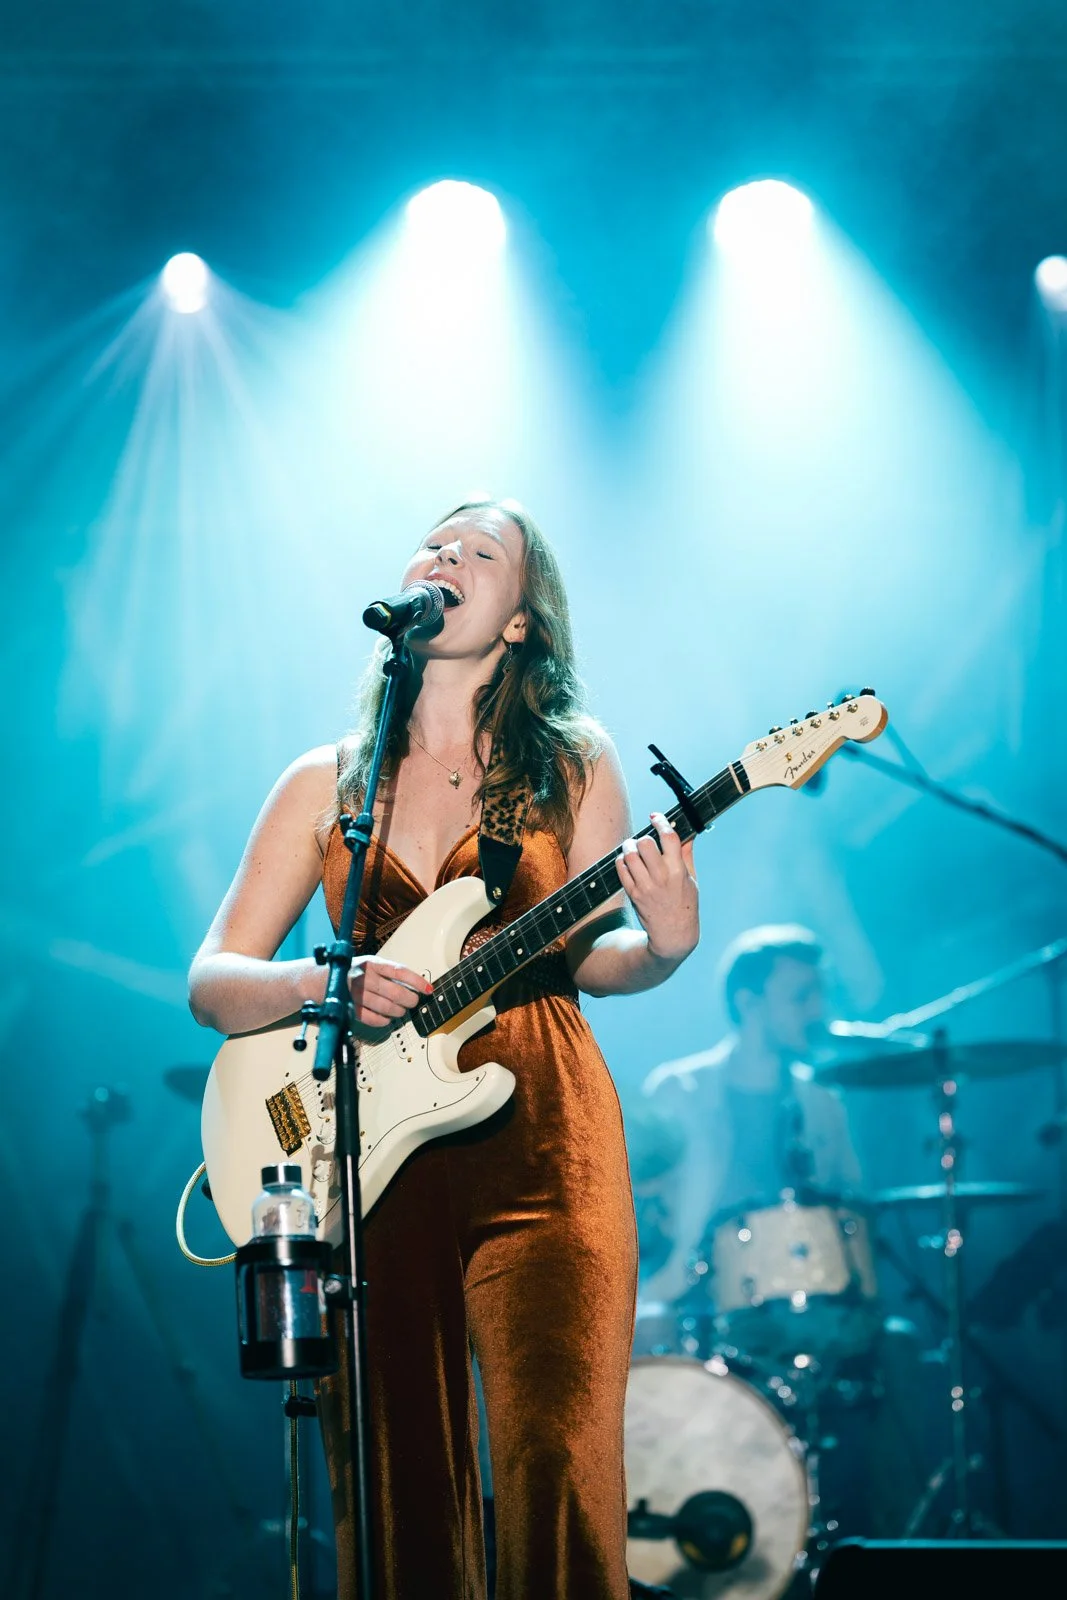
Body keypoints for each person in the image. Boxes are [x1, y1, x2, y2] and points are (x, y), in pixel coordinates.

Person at [187, 498, 700, 1600]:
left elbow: (580, 956)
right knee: (393, 1481)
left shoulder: (571, 762)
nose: (445, 559)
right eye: (433, 544)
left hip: (543, 1139)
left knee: (556, 1462)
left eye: (480, 554)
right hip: (367, 1151)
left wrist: (661, 947)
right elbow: (213, 980)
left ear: (520, 621)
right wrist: (325, 981)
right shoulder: (327, 780)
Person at [635, 924, 928, 1541]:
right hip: (696, 1301)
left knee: (899, 1353)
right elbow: (634, 1205)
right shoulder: (678, 1090)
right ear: (748, 1003)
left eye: (818, 994)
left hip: (810, 1299)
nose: (818, 1010)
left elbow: (853, 1205)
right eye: (801, 995)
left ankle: (875, 1546)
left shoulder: (821, 1098)